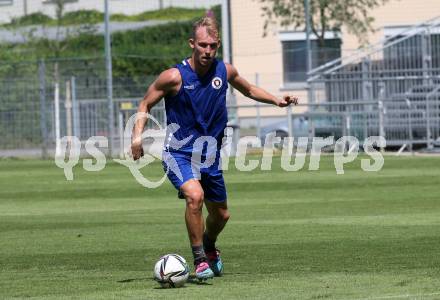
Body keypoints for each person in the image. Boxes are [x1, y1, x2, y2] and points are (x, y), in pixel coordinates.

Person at [131, 16, 298, 281]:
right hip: (179, 153)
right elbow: (144, 105)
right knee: (194, 197)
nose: (207, 51)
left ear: (217, 45)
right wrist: (136, 138)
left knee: (221, 215)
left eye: (212, 46)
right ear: (192, 44)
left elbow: (249, 89)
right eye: (202, 45)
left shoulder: (225, 71)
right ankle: (199, 261)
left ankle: (209, 246)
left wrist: (277, 100)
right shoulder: (173, 76)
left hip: (210, 156)